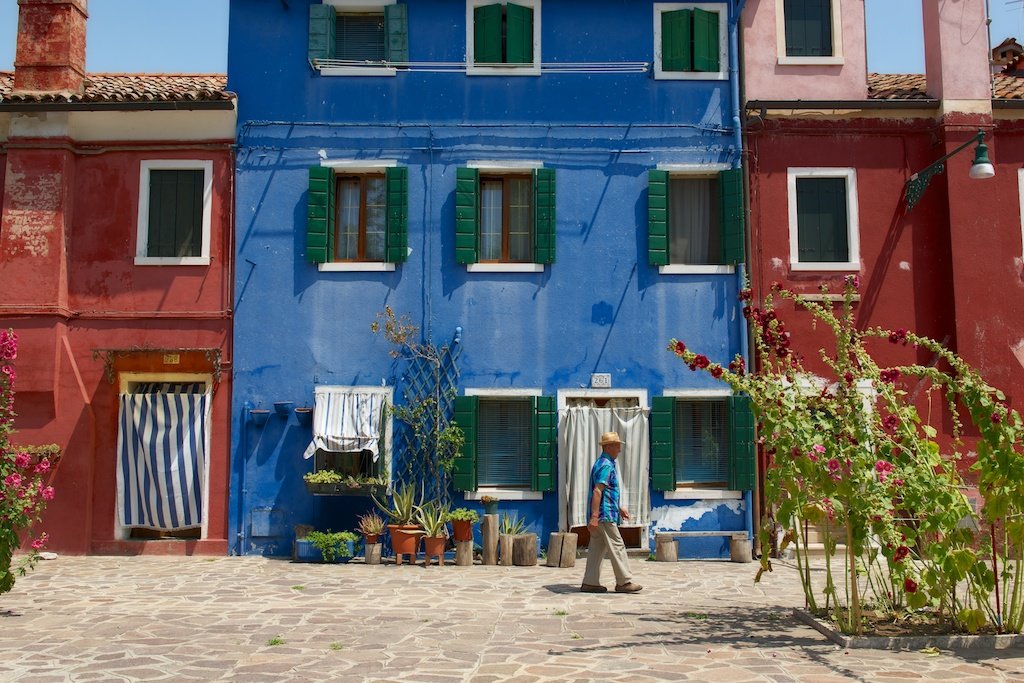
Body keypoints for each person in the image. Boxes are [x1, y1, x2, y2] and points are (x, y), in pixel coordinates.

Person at [580, 431, 642, 593]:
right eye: (617, 446)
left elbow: (606, 492)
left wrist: (619, 508)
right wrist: (595, 516)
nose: (619, 450)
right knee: (617, 546)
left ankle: (590, 582)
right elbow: (598, 491)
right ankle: (624, 582)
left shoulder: (602, 463)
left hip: (604, 513)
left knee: (597, 548)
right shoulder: (606, 466)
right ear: (608, 447)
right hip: (604, 515)